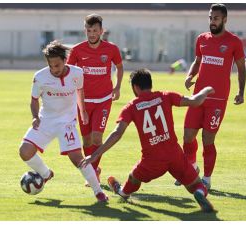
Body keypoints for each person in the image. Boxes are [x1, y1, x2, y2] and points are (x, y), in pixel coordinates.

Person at [82, 68, 216, 213]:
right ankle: (200, 194)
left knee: (133, 178)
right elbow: (195, 101)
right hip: (175, 154)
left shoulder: (131, 106)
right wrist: (207, 90)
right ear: (150, 84)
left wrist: (95, 154)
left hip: (151, 160)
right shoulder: (165, 96)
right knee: (196, 185)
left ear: (135, 87)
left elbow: (117, 133)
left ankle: (122, 191)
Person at [19, 40, 108, 202]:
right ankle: (46, 174)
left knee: (78, 159)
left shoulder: (77, 73)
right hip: (45, 120)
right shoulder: (39, 77)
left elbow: (80, 91)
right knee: (24, 151)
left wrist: (83, 111)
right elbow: (33, 100)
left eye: (57, 65)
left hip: (67, 123)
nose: (54, 69)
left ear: (65, 61)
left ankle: (98, 191)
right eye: (51, 65)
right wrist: (34, 117)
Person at [177, 4, 246, 190]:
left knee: (208, 139)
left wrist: (241, 92)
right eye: (210, 18)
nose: (212, 21)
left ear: (224, 19)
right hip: (197, 97)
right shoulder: (201, 39)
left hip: (218, 100)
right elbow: (198, 61)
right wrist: (190, 75)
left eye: (216, 18)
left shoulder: (234, 42)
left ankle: (207, 178)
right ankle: (191, 168)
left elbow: (241, 68)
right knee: (187, 136)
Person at [67, 14, 123, 185]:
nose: (92, 33)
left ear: (101, 31)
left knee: (97, 138)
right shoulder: (77, 50)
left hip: (104, 99)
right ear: (85, 30)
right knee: (87, 140)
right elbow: (68, 71)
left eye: (95, 30)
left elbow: (120, 67)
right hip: (83, 101)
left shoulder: (111, 49)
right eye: (89, 30)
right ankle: (95, 169)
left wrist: (117, 87)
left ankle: (92, 174)